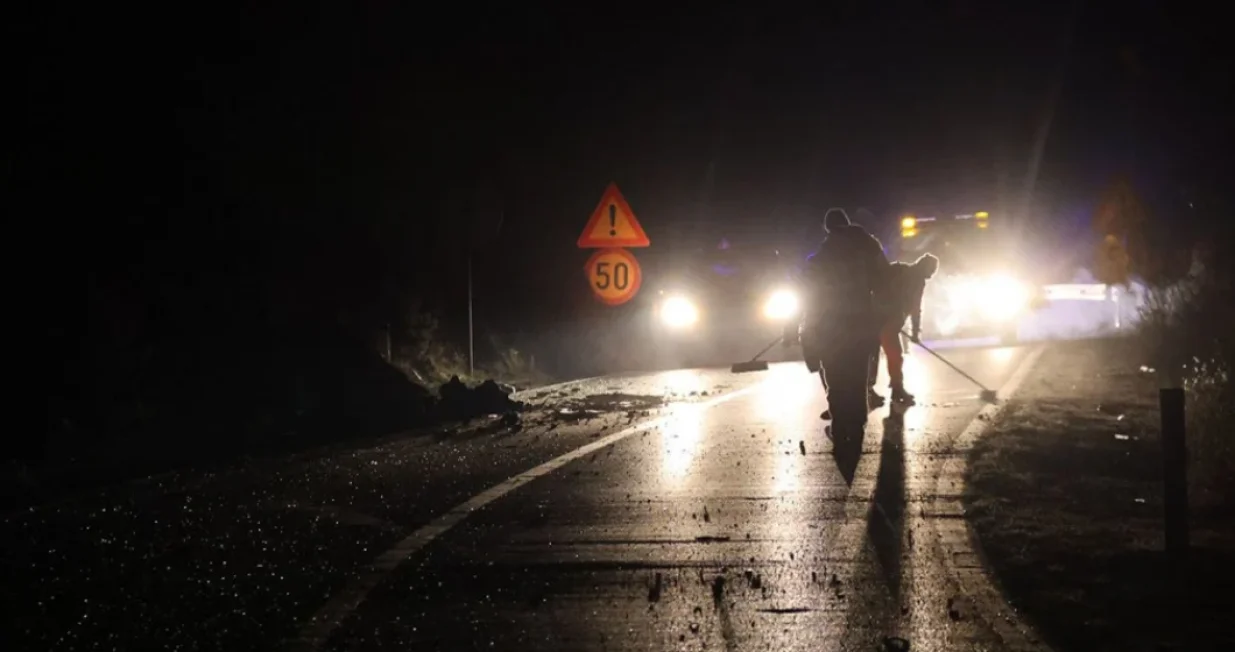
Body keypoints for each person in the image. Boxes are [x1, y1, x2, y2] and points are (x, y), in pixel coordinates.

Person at [794, 209, 889, 422]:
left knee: (831, 369)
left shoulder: (823, 253)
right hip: (864, 319)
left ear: (827, 229)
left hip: (832, 323)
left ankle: (836, 409)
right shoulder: (869, 244)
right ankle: (863, 399)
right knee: (862, 366)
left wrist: (795, 326)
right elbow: (885, 277)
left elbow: (807, 288)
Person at [869, 253, 939, 403]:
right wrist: (914, 332)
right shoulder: (916, 280)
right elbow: (916, 307)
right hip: (885, 322)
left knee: (876, 358)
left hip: (879, 320)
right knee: (892, 356)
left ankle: (879, 390)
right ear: (924, 267)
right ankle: (893, 389)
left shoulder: (899, 270)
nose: (932, 275)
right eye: (932, 271)